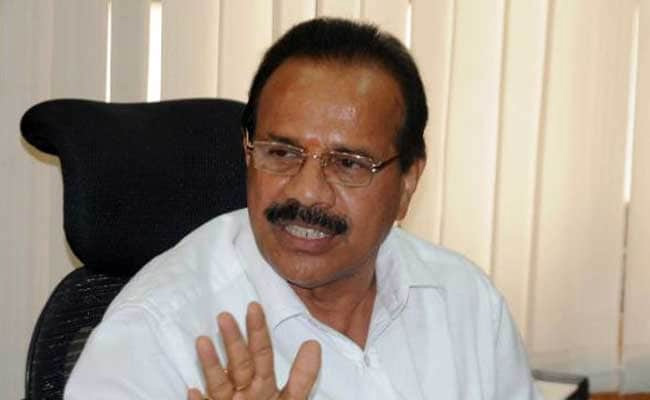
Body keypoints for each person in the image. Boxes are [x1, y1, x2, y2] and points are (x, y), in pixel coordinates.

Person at [65, 18, 541, 400]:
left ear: (409, 181)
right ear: (248, 153)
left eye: (349, 163)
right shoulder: (156, 332)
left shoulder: (466, 304)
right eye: (281, 153)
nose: (308, 193)